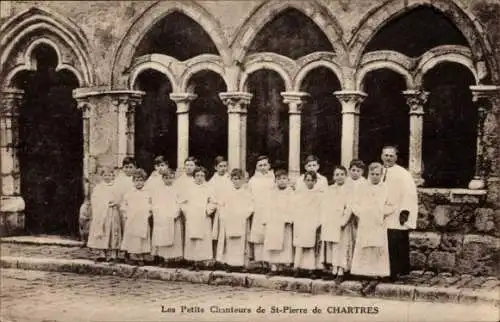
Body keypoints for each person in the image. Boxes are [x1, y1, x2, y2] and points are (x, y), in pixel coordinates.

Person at [350, 163, 393, 291]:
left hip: (378, 222)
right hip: (365, 222)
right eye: (372, 174)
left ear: (381, 175)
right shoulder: (361, 187)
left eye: (377, 174)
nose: (375, 177)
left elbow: (391, 205)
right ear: (369, 174)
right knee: (365, 248)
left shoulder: (385, 187)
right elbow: (354, 203)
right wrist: (362, 213)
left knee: (376, 248)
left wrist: (382, 212)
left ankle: (375, 275)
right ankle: (364, 273)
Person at [380, 145, 418, 280]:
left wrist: (405, 211)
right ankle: (383, 270)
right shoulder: (377, 171)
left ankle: (395, 272)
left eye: (391, 155)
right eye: (386, 155)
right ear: (381, 156)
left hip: (396, 213)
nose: (388, 158)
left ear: (396, 157)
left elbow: (409, 193)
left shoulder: (403, 173)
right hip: (381, 213)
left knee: (395, 242)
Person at [215, 169, 254, 272]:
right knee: (229, 243)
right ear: (231, 179)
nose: (236, 181)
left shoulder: (246, 193)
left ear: (243, 180)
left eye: (239, 179)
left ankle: (241, 264)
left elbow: (250, 207)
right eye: (234, 179)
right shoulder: (227, 193)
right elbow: (221, 205)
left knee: (241, 243)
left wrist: (243, 216)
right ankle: (229, 264)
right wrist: (224, 216)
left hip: (241, 221)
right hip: (229, 220)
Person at [319, 165, 352, 281]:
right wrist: (324, 221)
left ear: (346, 176)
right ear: (333, 176)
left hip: (342, 222)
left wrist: (343, 221)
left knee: (342, 247)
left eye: (342, 174)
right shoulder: (330, 189)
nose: (339, 177)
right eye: (337, 175)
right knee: (332, 246)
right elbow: (325, 205)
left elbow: (349, 207)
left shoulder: (349, 190)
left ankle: (341, 270)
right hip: (331, 221)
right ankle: (334, 269)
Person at [180, 166, 217, 270]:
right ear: (194, 176)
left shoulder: (209, 187)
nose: (199, 178)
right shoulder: (188, 187)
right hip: (192, 217)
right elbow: (182, 202)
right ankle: (193, 262)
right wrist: (187, 211)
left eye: (202, 175)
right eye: (197, 175)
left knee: (202, 241)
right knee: (192, 240)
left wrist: (207, 210)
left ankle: (201, 262)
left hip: (203, 217)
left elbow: (213, 202)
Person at [87, 167, 122, 262]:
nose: (107, 177)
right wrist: (102, 204)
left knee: (112, 232)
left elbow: (120, 198)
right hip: (102, 214)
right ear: (102, 176)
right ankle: (102, 253)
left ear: (112, 176)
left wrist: (115, 202)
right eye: (105, 175)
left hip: (112, 212)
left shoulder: (116, 187)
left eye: (109, 175)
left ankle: (113, 254)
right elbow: (94, 199)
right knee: (102, 231)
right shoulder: (98, 188)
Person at [263, 169, 294, 276]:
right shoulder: (271, 192)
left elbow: (293, 207)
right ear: (275, 180)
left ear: (288, 180)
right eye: (279, 179)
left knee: (285, 244)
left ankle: (282, 267)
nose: (282, 181)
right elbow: (267, 207)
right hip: (273, 222)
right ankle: (274, 267)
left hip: (284, 222)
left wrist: (288, 218)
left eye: (284, 178)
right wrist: (266, 219)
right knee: (273, 244)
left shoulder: (291, 193)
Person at [150, 169, 183, 266]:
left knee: (174, 238)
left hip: (173, 217)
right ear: (163, 179)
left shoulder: (177, 190)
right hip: (162, 218)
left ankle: (173, 260)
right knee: (162, 237)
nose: (169, 180)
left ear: (174, 178)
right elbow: (155, 203)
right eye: (166, 178)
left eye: (171, 178)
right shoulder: (158, 190)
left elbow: (179, 203)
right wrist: (159, 213)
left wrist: (175, 214)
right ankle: (164, 258)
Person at [120, 169, 153, 266]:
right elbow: (123, 205)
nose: (139, 182)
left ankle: (142, 256)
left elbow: (151, 204)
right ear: (133, 181)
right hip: (132, 219)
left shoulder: (147, 193)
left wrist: (148, 212)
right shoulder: (129, 193)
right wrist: (126, 214)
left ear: (144, 181)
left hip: (143, 219)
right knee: (133, 238)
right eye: (136, 180)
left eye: (141, 180)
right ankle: (133, 256)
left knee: (142, 238)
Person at [248, 155, 275, 272]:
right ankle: (259, 262)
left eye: (265, 165)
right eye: (260, 165)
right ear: (256, 167)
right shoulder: (253, 181)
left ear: (269, 166)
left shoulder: (273, 179)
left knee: (269, 235)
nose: (263, 167)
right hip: (258, 211)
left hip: (270, 211)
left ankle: (269, 262)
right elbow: (249, 196)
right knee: (258, 236)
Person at [292, 171, 322, 278]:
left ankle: (310, 269)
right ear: (304, 180)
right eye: (307, 180)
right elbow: (295, 207)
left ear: (315, 181)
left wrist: (317, 223)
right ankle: (297, 267)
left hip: (312, 222)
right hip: (301, 222)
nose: (309, 182)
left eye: (311, 180)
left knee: (310, 247)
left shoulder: (318, 195)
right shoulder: (299, 193)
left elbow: (320, 210)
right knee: (299, 246)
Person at [342, 159, 368, 274]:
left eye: (358, 171)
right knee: (346, 241)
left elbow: (364, 200)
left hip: (358, 214)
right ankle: (345, 267)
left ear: (362, 172)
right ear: (349, 171)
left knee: (358, 240)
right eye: (353, 170)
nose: (355, 173)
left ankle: (357, 268)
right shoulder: (346, 182)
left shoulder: (364, 183)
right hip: (346, 214)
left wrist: (358, 213)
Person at [208, 156, 232, 256]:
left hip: (228, 210)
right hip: (216, 210)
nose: (223, 168)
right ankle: (215, 257)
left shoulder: (230, 179)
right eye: (220, 166)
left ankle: (226, 257)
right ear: (215, 167)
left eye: (225, 166)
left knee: (227, 235)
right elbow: (210, 196)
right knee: (216, 235)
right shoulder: (212, 181)